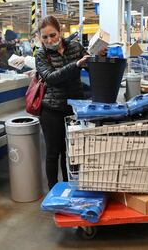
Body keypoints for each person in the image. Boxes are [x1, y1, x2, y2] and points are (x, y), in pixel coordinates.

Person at [35, 15, 91, 190]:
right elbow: (51, 78)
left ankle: (71, 187)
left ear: (60, 32)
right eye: (44, 37)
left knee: (71, 152)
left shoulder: (75, 47)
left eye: (52, 35)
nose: (49, 40)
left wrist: (97, 55)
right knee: (53, 153)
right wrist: (76, 65)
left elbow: (91, 65)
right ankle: (54, 191)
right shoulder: (41, 55)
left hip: (75, 108)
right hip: (51, 109)